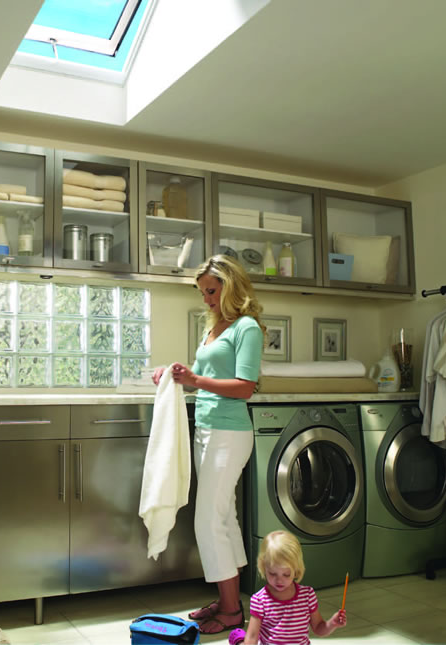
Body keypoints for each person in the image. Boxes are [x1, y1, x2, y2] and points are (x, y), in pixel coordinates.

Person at [152, 254, 265, 635]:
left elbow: (245, 387)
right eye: (203, 293)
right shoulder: (216, 327)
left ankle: (233, 612)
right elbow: (205, 376)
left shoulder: (246, 328)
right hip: (207, 430)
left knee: (207, 521)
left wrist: (194, 380)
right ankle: (230, 600)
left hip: (229, 435)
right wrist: (173, 374)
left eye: (212, 291)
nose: (207, 299)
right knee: (222, 517)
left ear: (230, 286)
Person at [244, 530, 347, 645]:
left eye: (286, 574)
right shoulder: (260, 600)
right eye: (272, 573)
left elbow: (318, 628)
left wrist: (332, 623)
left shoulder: (307, 596)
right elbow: (252, 638)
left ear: (296, 569)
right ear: (264, 567)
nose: (279, 580)